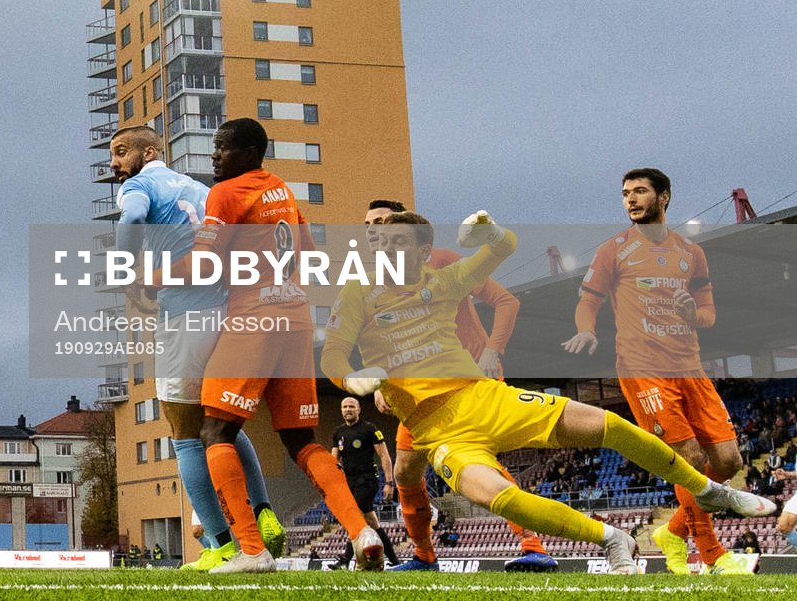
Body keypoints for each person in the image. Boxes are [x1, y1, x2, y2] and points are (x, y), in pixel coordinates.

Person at [325, 209, 773, 573]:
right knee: (497, 496)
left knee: (609, 425)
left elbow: (503, 248)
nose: (384, 247)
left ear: (424, 252)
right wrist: (351, 378)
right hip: (437, 432)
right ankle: (611, 539)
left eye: (398, 241)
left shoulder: (443, 282)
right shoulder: (357, 293)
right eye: (378, 241)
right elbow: (332, 357)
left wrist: (489, 231)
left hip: (486, 400)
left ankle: (711, 491)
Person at [194, 119, 382, 574]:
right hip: (295, 320)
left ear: (249, 151)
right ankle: (363, 531)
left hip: (254, 319)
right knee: (301, 439)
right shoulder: (283, 189)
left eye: (221, 148)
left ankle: (252, 551)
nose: (214, 156)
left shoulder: (225, 193)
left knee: (215, 432)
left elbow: (202, 262)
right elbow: (308, 252)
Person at [108, 125, 284, 571]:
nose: (114, 163)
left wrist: (129, 274)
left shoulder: (138, 185)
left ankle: (221, 543)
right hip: (225, 312)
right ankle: (264, 517)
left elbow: (130, 221)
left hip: (183, 316)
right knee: (223, 425)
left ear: (150, 151)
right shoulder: (202, 189)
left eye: (121, 151)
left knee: (185, 436)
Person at [564, 168, 752, 575]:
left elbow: (708, 314)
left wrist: (692, 313)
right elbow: (589, 300)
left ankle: (674, 532)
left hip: (689, 365)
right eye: (626, 193)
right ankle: (714, 556)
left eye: (640, 192)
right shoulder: (612, 250)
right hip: (642, 367)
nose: (631, 199)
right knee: (687, 456)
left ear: (664, 197)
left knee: (728, 461)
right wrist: (585, 330)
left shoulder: (691, 253)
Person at [364, 199, 554, 573]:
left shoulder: (444, 261)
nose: (374, 229)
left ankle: (534, 546)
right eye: (369, 224)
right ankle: (423, 556)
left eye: (384, 222)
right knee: (404, 472)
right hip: (423, 392)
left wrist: (491, 351)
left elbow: (505, 300)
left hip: (468, 381)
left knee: (478, 464)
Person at [331, 396, 396, 565]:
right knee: (373, 523)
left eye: (351, 406)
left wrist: (389, 483)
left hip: (367, 480)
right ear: (341, 410)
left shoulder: (369, 429)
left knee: (356, 515)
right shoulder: (338, 433)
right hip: (349, 482)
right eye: (344, 406)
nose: (348, 409)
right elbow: (334, 460)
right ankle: (395, 561)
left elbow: (385, 456)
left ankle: (345, 560)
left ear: (359, 409)